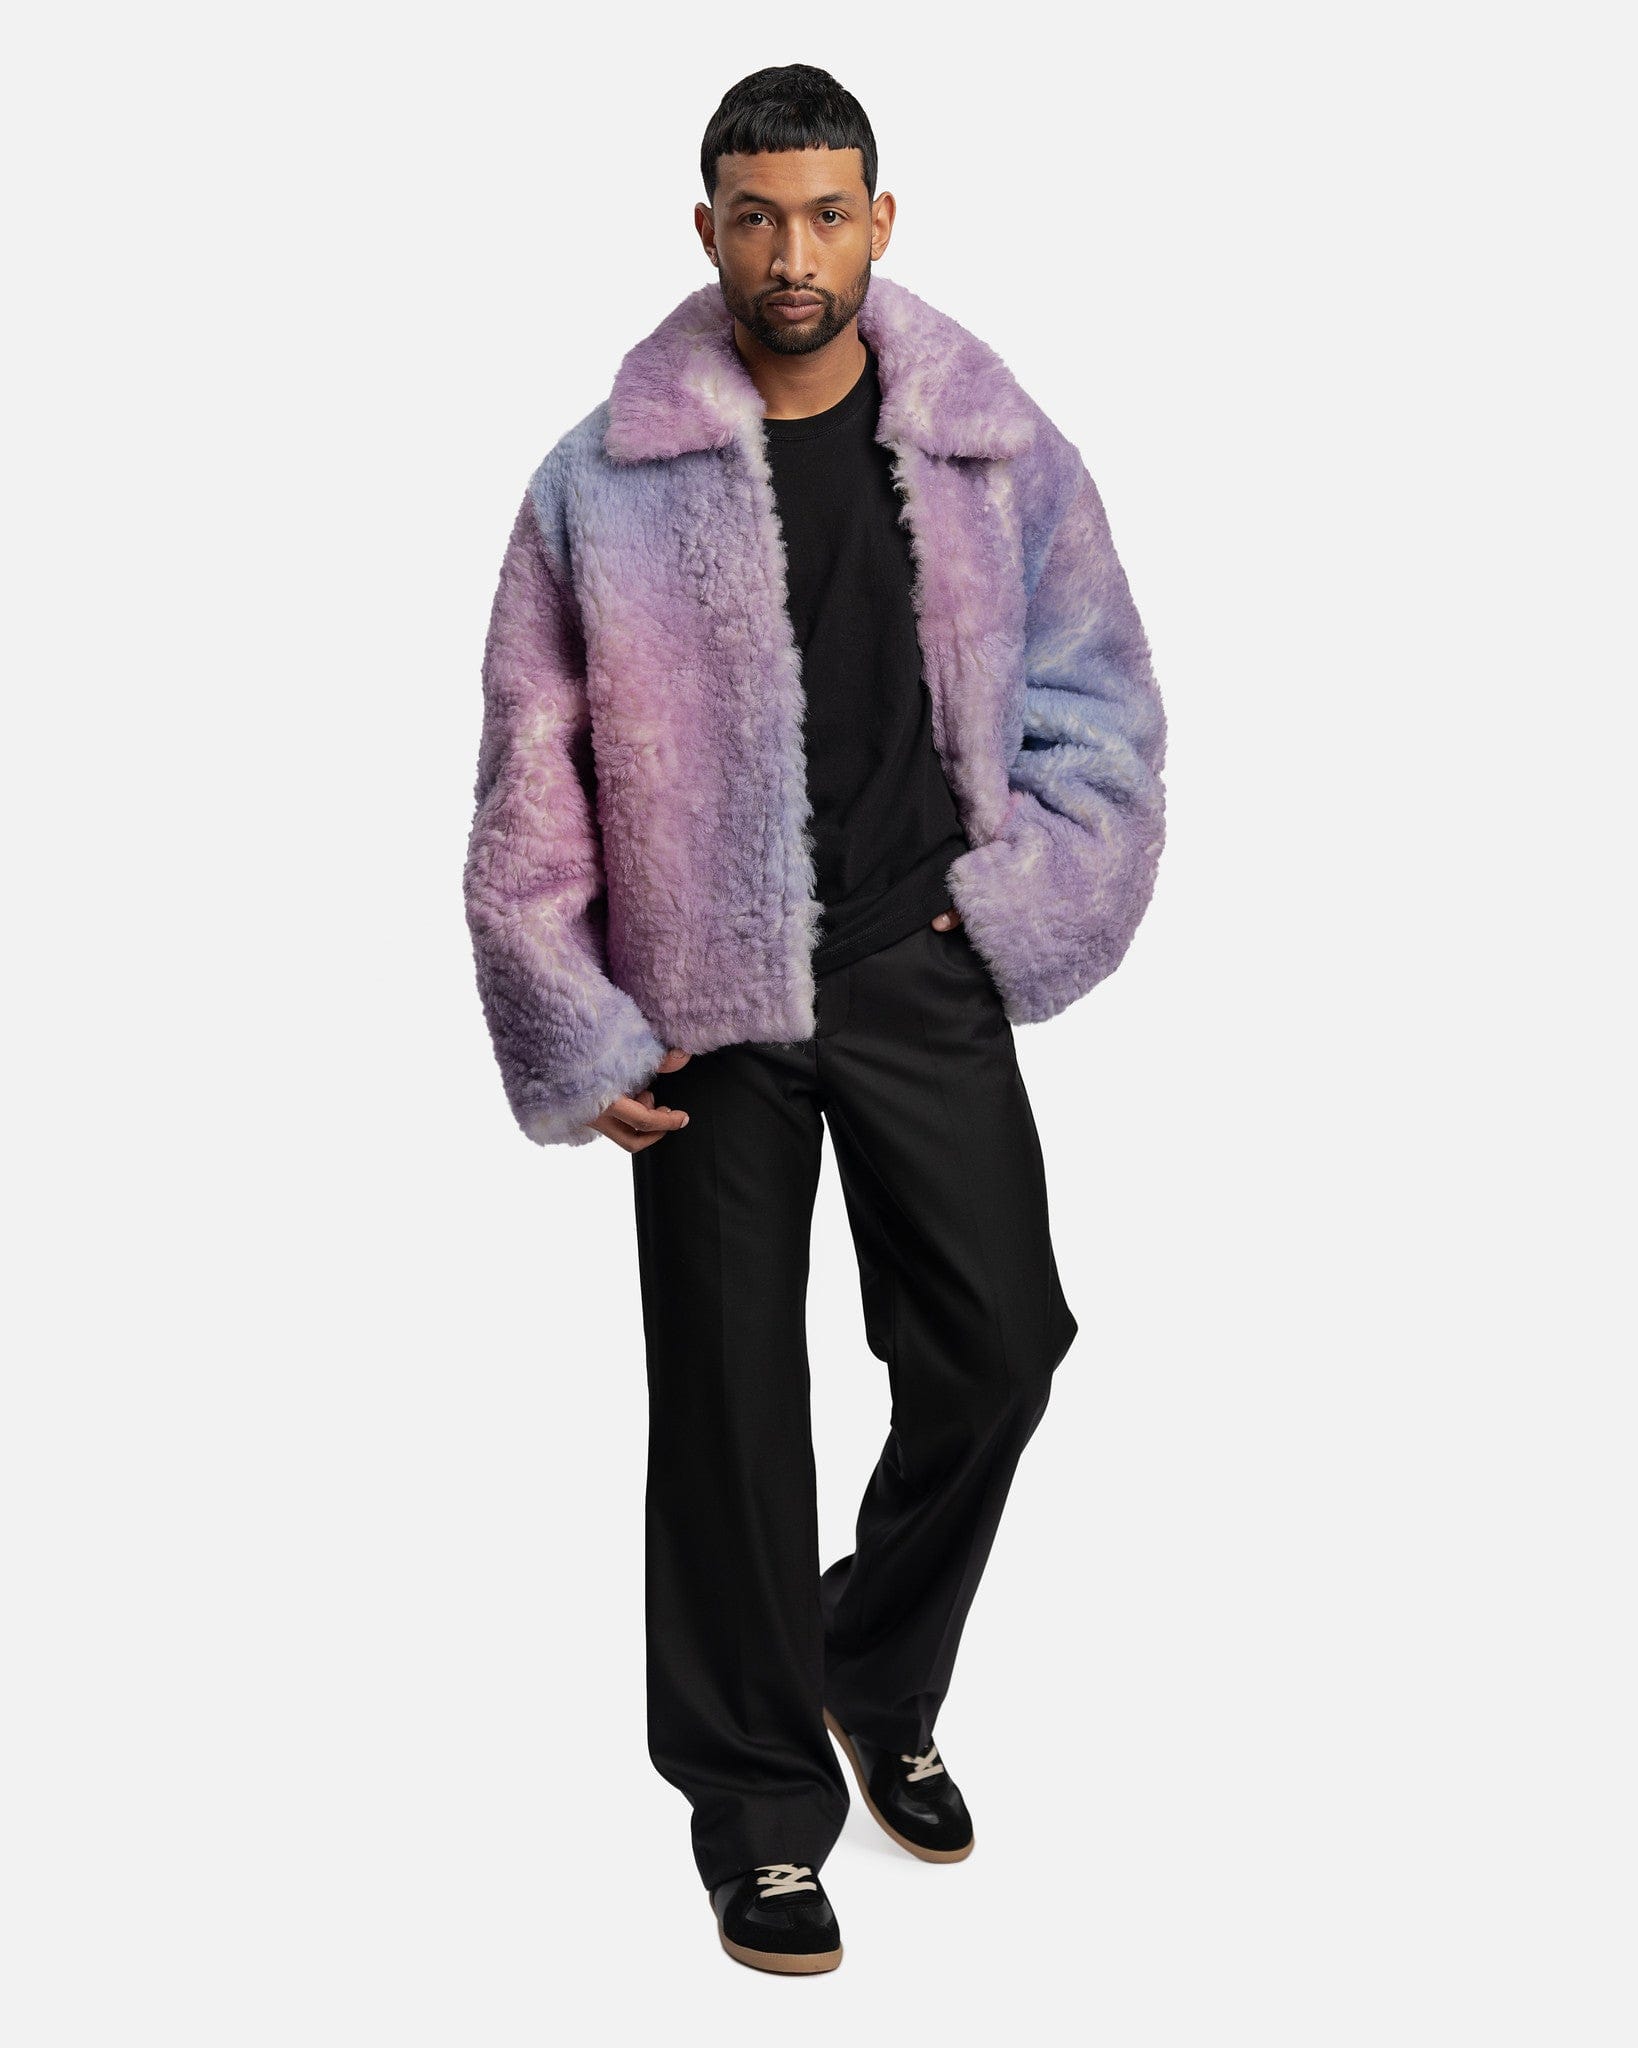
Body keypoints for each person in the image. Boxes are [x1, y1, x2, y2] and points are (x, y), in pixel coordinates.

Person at [463, 62, 1168, 1976]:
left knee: (1000, 1345)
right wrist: (573, 1016)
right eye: (758, 216)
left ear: (880, 222)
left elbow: (1099, 697)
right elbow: (530, 768)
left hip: (919, 966)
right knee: (727, 1413)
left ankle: (871, 1664)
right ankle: (759, 1816)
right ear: (707, 230)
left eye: (827, 213)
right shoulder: (600, 478)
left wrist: (1018, 896)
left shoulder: (986, 446)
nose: (794, 252)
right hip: (700, 1003)